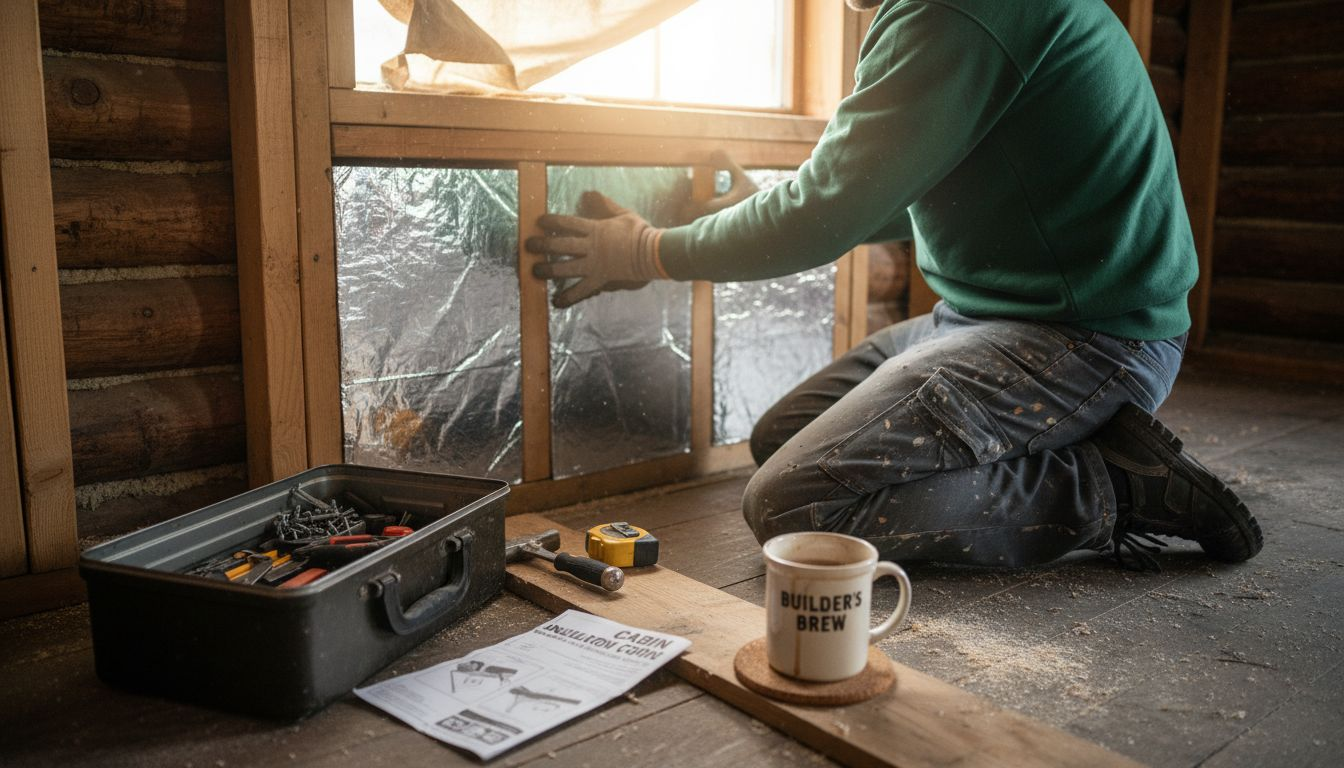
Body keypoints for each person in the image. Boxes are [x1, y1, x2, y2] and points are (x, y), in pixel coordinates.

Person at [525, 0, 1262, 570]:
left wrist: (644, 251)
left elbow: (822, 215)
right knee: (780, 437)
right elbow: (913, 193)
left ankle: (1113, 489)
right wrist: (788, 205)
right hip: (990, 317)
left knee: (795, 506)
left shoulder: (952, 11)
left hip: (1088, 339)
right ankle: (1057, 444)